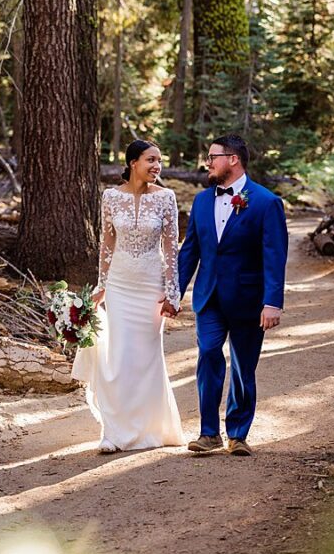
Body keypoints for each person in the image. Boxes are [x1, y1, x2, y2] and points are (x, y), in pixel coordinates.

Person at [174, 133, 287, 456]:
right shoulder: (201, 200)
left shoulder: (266, 202)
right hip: (208, 297)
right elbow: (190, 251)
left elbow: (274, 257)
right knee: (208, 355)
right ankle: (209, 432)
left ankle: (238, 433)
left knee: (243, 367)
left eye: (213, 157)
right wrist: (175, 293)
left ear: (233, 160)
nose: (207, 163)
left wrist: (272, 302)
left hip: (249, 301)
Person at [73, 138, 186, 453]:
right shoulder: (110, 197)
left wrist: (173, 292)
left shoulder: (166, 198)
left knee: (147, 357)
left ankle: (151, 429)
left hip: (151, 285)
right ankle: (115, 433)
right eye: (151, 160)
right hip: (120, 285)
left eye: (159, 161)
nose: (156, 167)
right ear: (133, 162)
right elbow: (107, 243)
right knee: (119, 357)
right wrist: (101, 285)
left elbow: (171, 247)